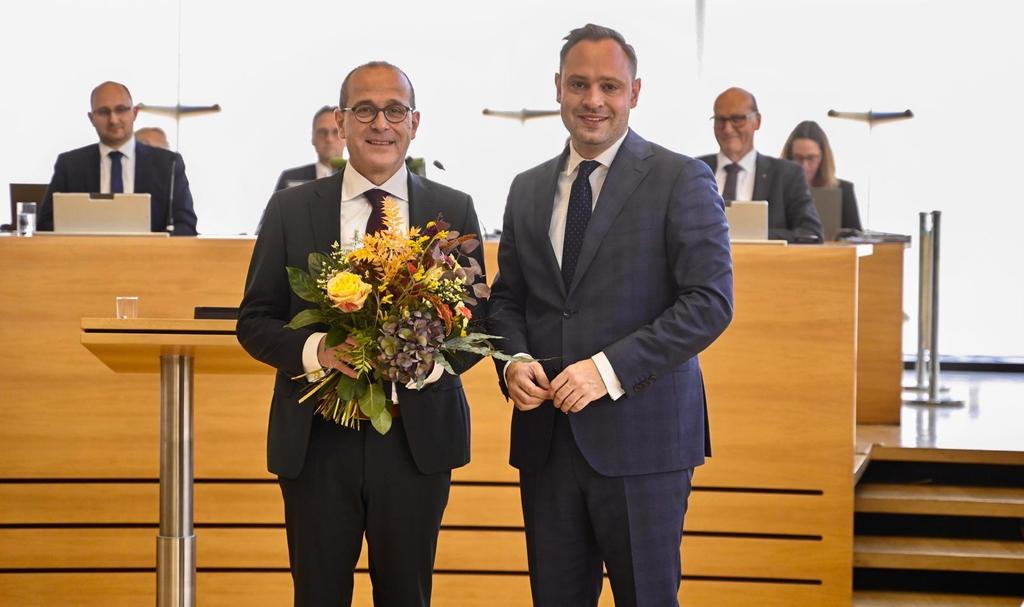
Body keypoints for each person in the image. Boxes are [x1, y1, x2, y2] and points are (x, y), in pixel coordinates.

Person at [488, 24, 733, 606]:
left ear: (635, 92)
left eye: (609, 86)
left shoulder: (681, 179)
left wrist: (607, 370)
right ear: (557, 88)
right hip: (547, 441)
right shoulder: (526, 189)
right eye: (579, 84)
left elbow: (709, 302)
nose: (593, 100)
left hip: (643, 440)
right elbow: (507, 298)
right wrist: (513, 358)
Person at [236, 62, 485, 607]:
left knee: (407, 595)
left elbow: (474, 323)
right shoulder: (290, 208)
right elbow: (253, 321)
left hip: (414, 439)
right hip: (318, 440)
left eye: (395, 110)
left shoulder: (452, 209)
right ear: (341, 121)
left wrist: (426, 361)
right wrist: (317, 351)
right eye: (365, 110)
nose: (381, 123)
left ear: (414, 123)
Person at [38, 81, 197, 235]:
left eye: (121, 110)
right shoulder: (70, 165)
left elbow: (186, 225)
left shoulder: (168, 164)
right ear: (92, 118)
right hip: (86, 258)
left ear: (135, 113)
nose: (113, 120)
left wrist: (153, 246)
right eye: (103, 112)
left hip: (150, 258)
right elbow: (45, 224)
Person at [697, 87, 822, 242]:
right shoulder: (693, 171)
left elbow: (810, 233)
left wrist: (754, 238)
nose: (727, 129)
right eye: (720, 120)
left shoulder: (786, 175)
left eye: (737, 119)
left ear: (757, 121)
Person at [781, 120, 862, 230]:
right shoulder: (776, 190)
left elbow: (856, 239)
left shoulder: (844, 190)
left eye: (811, 158)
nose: (804, 166)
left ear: (823, 159)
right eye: (798, 158)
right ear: (789, 157)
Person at [274, 105, 346, 191]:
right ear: (313, 138)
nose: (329, 139)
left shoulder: (358, 178)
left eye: (336, 132)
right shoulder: (290, 179)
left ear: (345, 137)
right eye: (322, 132)